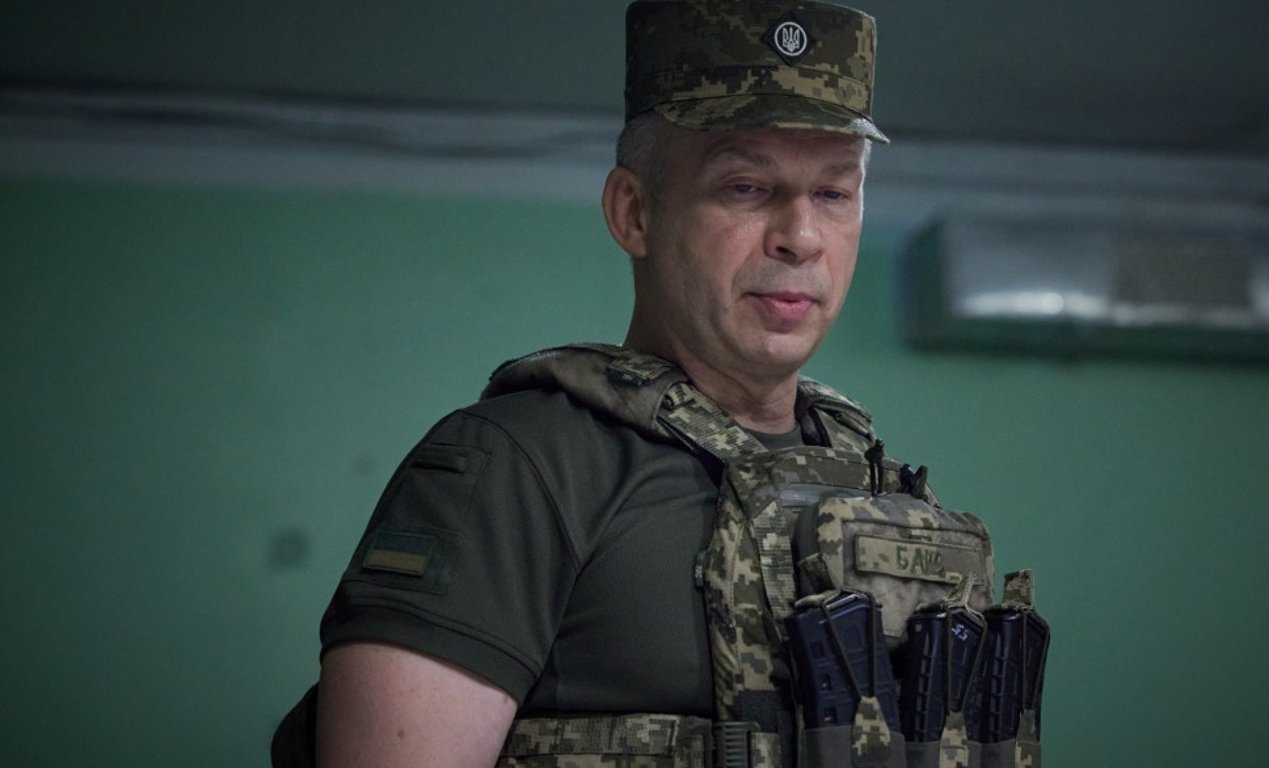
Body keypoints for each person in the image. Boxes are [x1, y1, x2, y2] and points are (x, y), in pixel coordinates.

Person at [273, 2, 1006, 766]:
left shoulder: (882, 490)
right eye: (746, 186)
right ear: (634, 212)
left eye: (834, 193)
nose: (801, 236)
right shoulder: (521, 468)